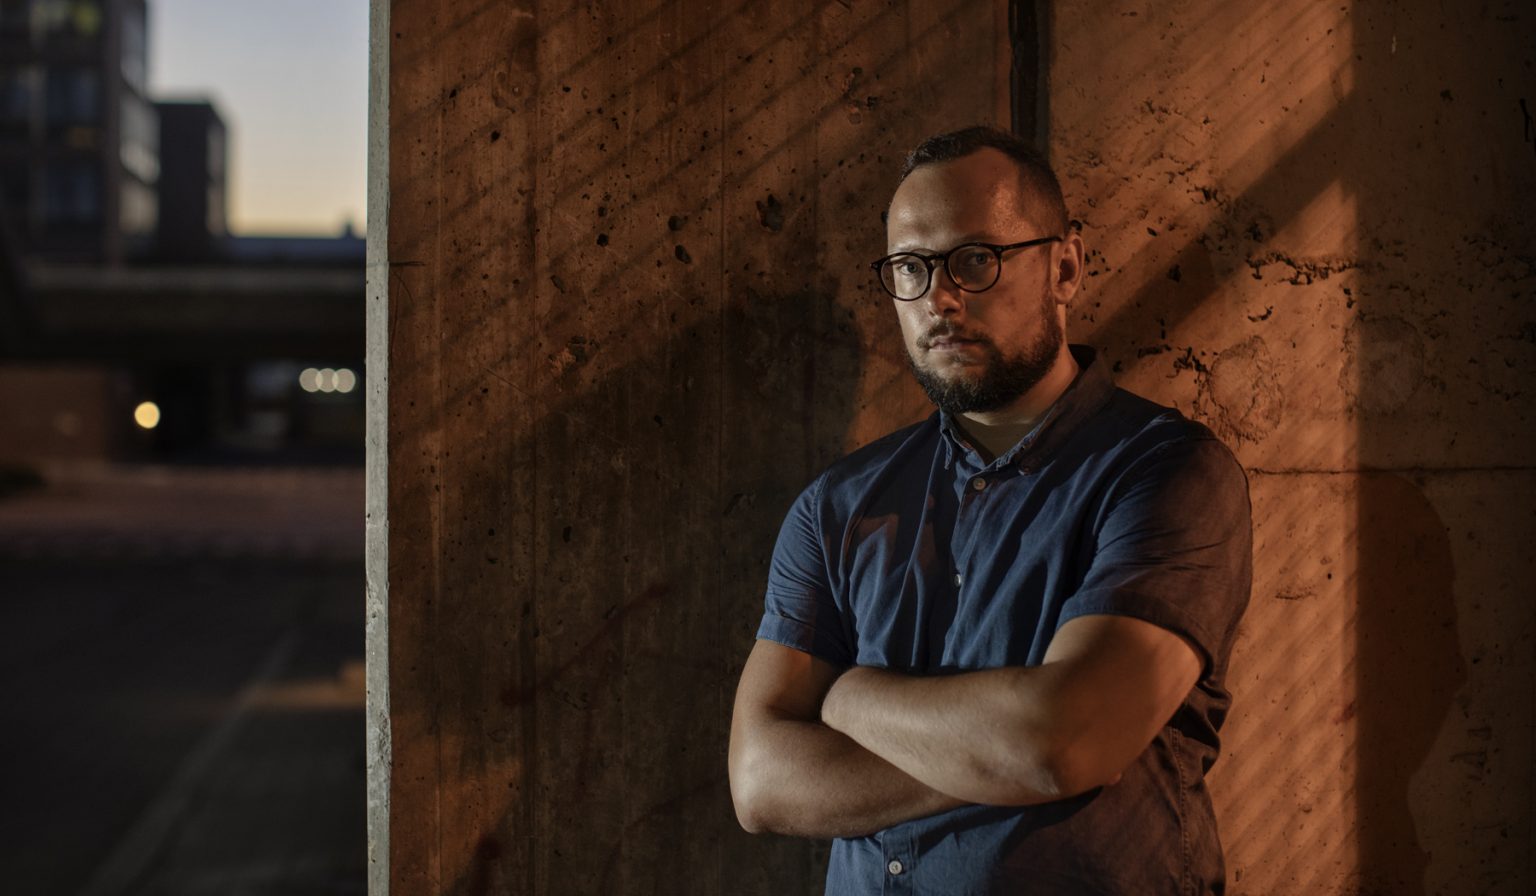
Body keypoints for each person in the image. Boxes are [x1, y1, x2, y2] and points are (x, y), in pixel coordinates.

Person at [727, 125, 1253, 895]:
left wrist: (847, 697)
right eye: (911, 268)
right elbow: (760, 781)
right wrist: (1003, 756)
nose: (938, 299)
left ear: (1065, 267)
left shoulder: (1168, 473)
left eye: (975, 260)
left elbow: (1064, 741)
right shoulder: (838, 506)